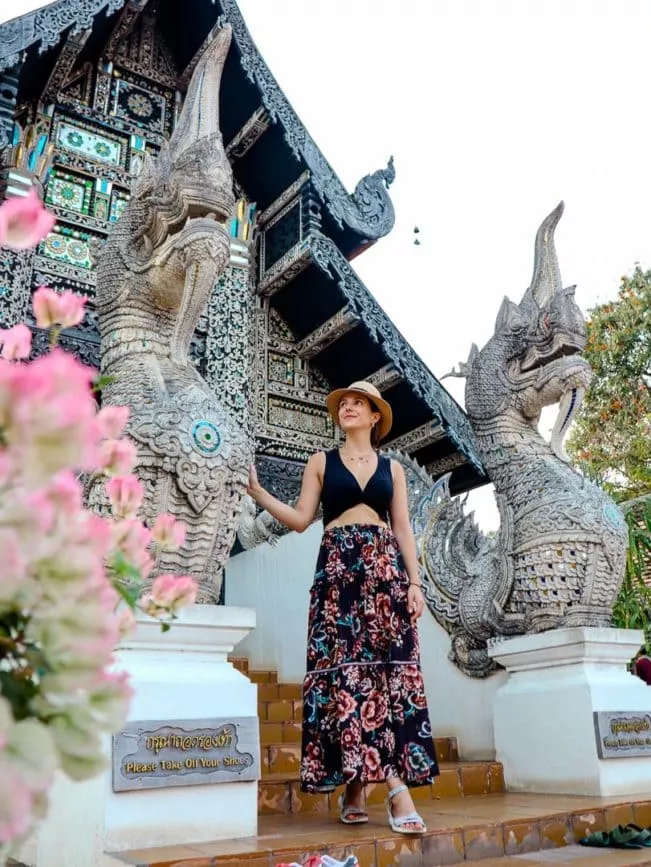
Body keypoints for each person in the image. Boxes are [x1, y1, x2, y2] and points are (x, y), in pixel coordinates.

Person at [247, 380, 439, 835]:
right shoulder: (320, 463)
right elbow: (299, 521)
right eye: (344, 404)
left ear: (375, 417)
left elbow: (404, 530)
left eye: (359, 403)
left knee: (386, 677)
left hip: (384, 574)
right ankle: (379, 789)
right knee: (346, 676)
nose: (349, 408)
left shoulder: (392, 470)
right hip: (337, 578)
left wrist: (416, 584)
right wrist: (258, 494)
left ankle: (375, 789)